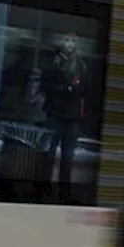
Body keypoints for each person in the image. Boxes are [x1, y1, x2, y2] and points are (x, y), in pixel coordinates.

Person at [41, 32, 87, 195]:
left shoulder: (81, 64)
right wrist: (64, 89)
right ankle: (44, 185)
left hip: (72, 115)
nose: (69, 44)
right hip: (55, 112)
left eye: (73, 41)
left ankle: (64, 189)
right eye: (66, 40)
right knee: (49, 151)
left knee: (68, 155)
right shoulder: (53, 61)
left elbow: (84, 88)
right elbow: (45, 84)